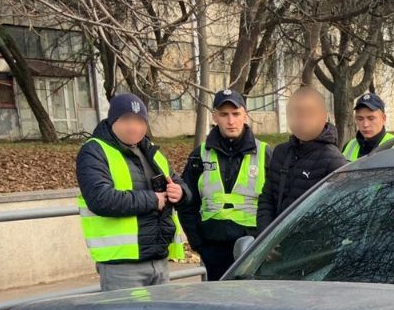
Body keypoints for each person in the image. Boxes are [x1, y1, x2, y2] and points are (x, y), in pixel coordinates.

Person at [76, 93, 187, 292]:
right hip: (122, 264)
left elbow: (179, 183)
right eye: (126, 119)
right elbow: (100, 198)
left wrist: (180, 192)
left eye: (139, 120)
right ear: (112, 121)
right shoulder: (94, 151)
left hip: (158, 258)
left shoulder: (150, 150)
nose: (133, 127)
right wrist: (153, 200)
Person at [178, 88, 268, 279]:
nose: (231, 120)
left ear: (245, 115)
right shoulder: (199, 155)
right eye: (224, 114)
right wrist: (198, 244)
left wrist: (265, 242)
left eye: (236, 114)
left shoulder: (265, 154)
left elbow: (277, 202)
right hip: (213, 249)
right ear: (214, 117)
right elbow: (187, 203)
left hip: (254, 247)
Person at [256, 87, 347, 230]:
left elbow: (339, 213)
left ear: (324, 117)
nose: (302, 119)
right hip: (275, 242)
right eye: (296, 113)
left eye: (309, 114)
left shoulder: (333, 160)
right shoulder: (281, 152)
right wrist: (265, 236)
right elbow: (267, 199)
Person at [341, 92, 394, 160]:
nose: (365, 124)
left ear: (383, 119)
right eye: (360, 119)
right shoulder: (349, 146)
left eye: (371, 118)